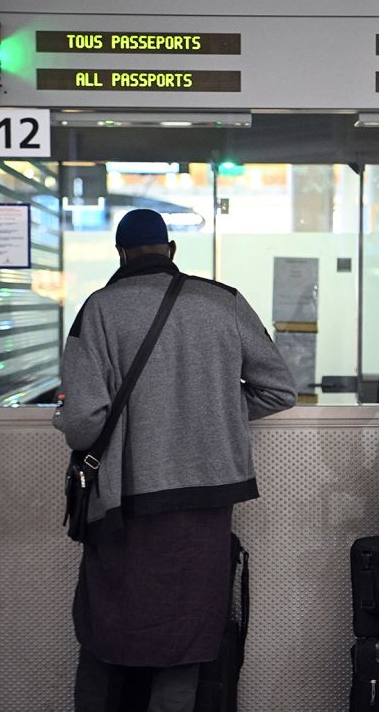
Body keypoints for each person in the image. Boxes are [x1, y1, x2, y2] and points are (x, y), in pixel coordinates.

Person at [54, 208, 296, 711]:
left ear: (120, 253)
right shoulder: (223, 301)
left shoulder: (99, 309)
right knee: (186, 635)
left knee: (108, 628)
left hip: (127, 500)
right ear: (171, 251)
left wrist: (71, 422)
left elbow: (83, 420)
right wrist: (216, 417)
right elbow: (279, 391)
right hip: (207, 500)